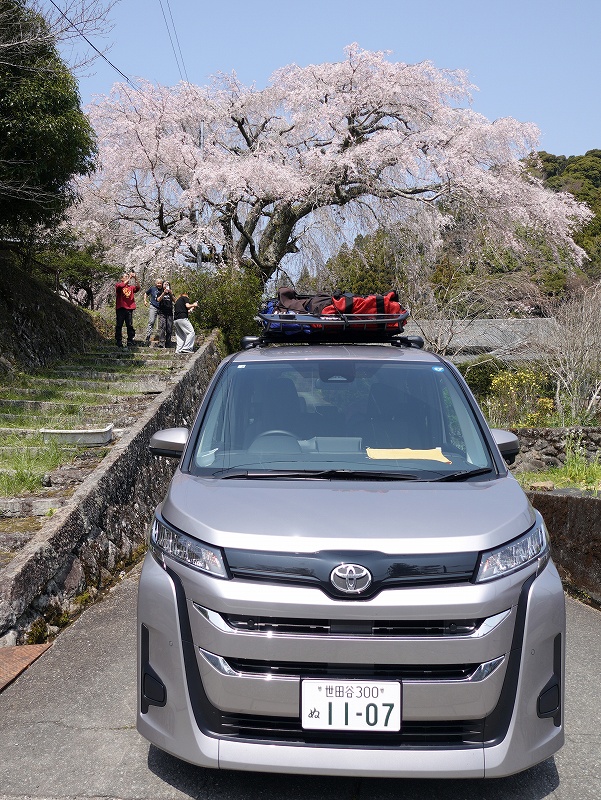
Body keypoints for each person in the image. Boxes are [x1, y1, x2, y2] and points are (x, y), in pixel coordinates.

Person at [115, 271, 141, 348]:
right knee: (119, 325)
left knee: (129, 325)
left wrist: (135, 278)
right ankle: (118, 341)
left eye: (127, 276)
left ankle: (130, 340)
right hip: (121, 308)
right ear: (121, 278)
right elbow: (121, 286)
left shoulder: (131, 287)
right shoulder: (118, 285)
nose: (127, 277)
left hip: (129, 308)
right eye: (125, 276)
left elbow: (138, 287)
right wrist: (129, 277)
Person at [143, 278, 164, 344]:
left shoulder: (164, 289)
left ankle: (161, 339)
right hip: (153, 306)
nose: (159, 285)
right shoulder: (152, 288)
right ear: (155, 283)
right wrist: (145, 301)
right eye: (158, 283)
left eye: (160, 283)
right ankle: (147, 337)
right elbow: (146, 294)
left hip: (161, 307)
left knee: (162, 324)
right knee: (151, 321)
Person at [157, 280, 174, 347]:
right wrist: (163, 293)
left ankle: (168, 343)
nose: (166, 285)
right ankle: (161, 343)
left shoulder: (171, 293)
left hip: (169, 313)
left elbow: (175, 301)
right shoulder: (160, 292)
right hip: (162, 313)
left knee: (169, 329)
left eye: (167, 284)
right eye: (165, 284)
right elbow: (158, 300)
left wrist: (171, 294)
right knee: (162, 328)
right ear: (162, 285)